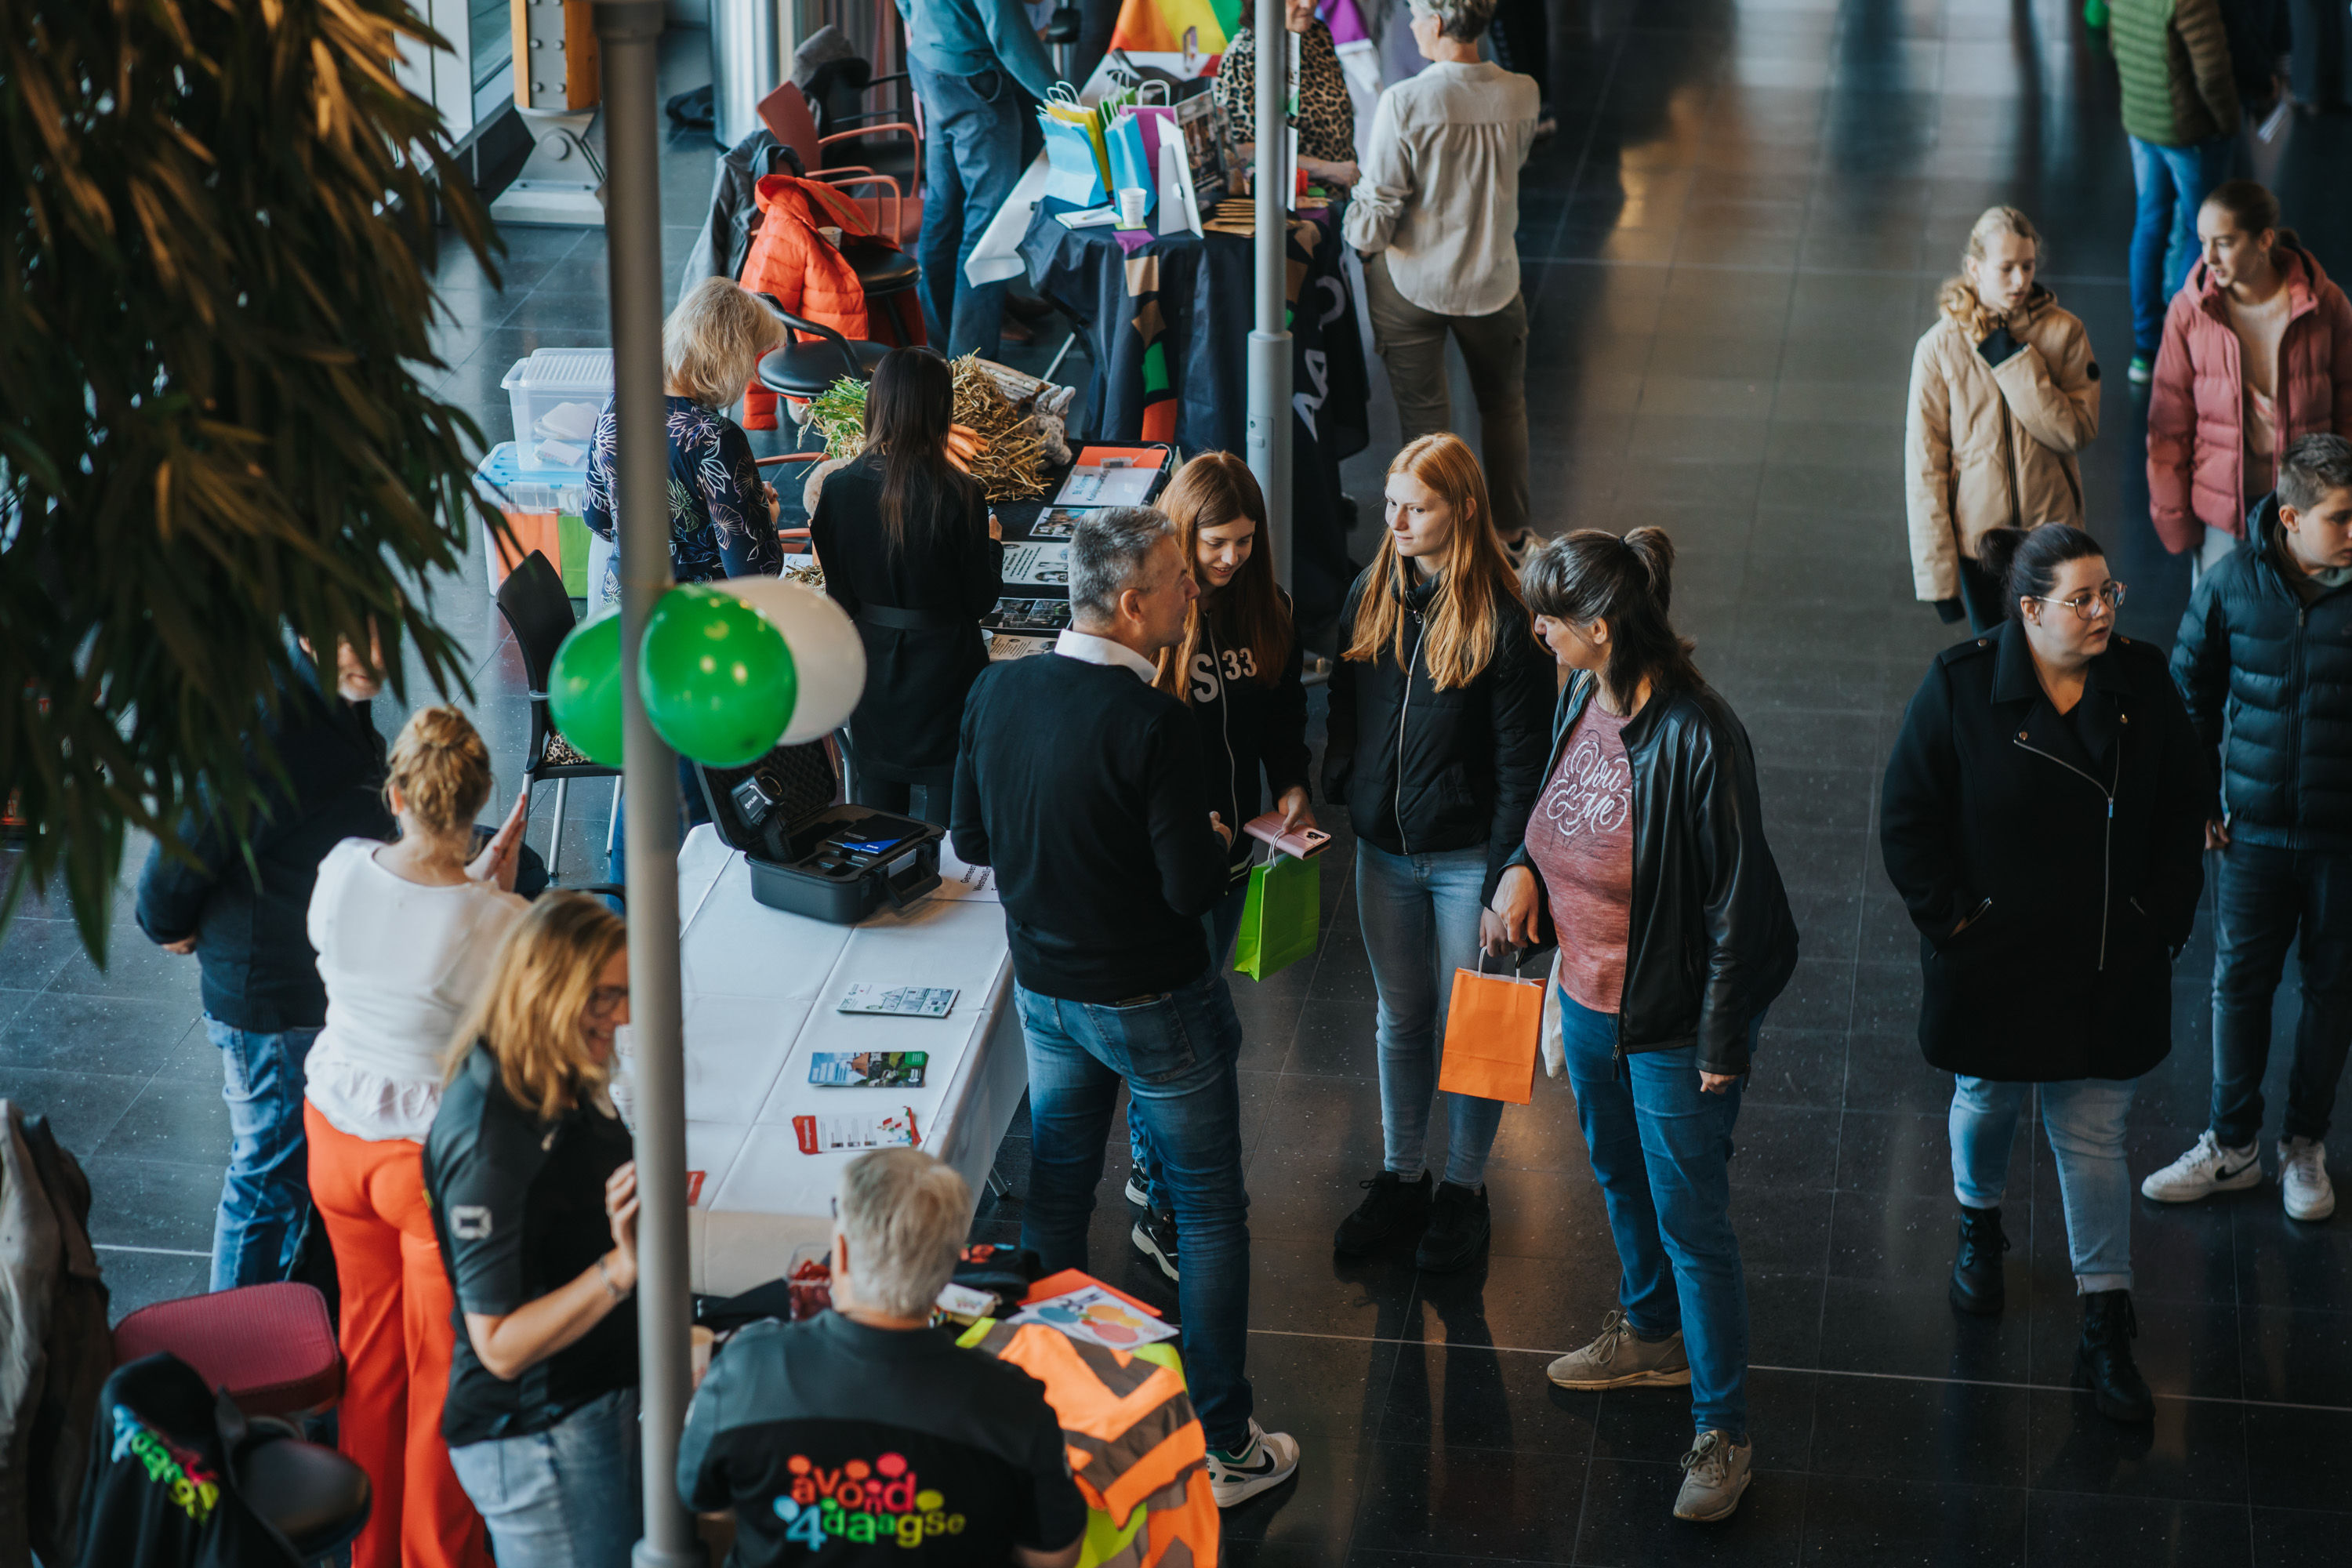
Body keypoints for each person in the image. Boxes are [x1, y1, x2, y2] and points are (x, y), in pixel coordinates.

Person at [951, 506, 1301, 1507]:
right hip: (1156, 1003)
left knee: (1059, 1185)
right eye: (1178, 578)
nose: (1197, 590)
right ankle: (1225, 1442)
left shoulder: (996, 688)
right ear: (1133, 602)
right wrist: (1222, 832)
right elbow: (1192, 889)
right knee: (1207, 1211)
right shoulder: (1157, 722)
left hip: (1048, 995)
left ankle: (1043, 1409)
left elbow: (971, 838)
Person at [1487, 528, 1797, 1525]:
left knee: (1693, 1224)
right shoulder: (1584, 695)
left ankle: (1723, 1427)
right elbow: (1558, 806)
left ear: (1601, 627)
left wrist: (1718, 1046)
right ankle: (1650, 1330)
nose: (1533, 629)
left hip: (1666, 1027)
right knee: (1620, 1177)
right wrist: (1525, 866)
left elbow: (1745, 913)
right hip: (1585, 1001)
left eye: (1548, 617)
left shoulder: (1702, 735)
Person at [1881, 525, 2209, 1425]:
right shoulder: (1959, 686)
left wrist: (2161, 917)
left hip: (2110, 964)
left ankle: (2106, 1320)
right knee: (1984, 1096)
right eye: (2082, 597)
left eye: (2110, 593)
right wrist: (1957, 923)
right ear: (2028, 609)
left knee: (2094, 1134)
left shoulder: (2141, 682)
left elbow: (2185, 802)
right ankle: (1978, 1226)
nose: (2104, 609)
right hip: (1997, 962)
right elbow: (1906, 818)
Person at [303, 706, 528, 1568]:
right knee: (445, 1371)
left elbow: (391, 928)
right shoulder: (490, 918)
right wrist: (492, 890)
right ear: (479, 800)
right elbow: (500, 1018)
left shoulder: (340, 870)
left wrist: (476, 883)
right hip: (427, 1160)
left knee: (370, 1350)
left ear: (395, 792)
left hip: (334, 1135)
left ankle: (369, 1550)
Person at [1323, 433, 1551, 1273]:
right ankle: (1401, 1174)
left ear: (1463, 508)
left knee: (1478, 1026)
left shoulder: (1504, 615)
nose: (1396, 521)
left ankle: (1465, 1188)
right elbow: (1347, 697)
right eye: (1390, 504)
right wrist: (1344, 778)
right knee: (1401, 1018)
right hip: (1384, 852)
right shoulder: (1371, 590)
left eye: (1414, 506)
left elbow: (1525, 763)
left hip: (1467, 864)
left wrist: (1508, 875)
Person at [677, 1149, 1087, 1567]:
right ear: (949, 1266)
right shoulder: (1015, 1404)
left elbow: (706, 1502)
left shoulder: (744, 1369)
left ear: (841, 1249)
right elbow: (1052, 1559)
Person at [136, 633, 394, 1290]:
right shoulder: (275, 724)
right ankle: (235, 1346)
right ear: (309, 635)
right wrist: (166, 922)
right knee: (267, 1176)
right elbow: (182, 848)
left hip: (315, 976)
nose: (378, 649)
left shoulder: (336, 693)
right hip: (271, 994)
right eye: (354, 635)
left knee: (292, 1167)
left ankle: (282, 1320)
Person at [2143, 433, 2352, 1221]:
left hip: (2342, 840)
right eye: (2342, 518)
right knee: (2239, 988)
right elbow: (2185, 692)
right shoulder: (2233, 584)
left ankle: (2305, 1144)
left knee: (2333, 993)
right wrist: (2198, 796)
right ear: (2290, 518)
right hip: (2255, 834)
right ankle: (2232, 1146)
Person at [1124, 452, 1315, 1281]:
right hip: (1169, 853)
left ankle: (1144, 1160)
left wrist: (1294, 782)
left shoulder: (1268, 608)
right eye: (1216, 542)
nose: (1231, 558)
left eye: (1244, 542)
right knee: (1182, 1022)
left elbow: (1282, 711)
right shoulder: (1163, 611)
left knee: (1190, 1008)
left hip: (1239, 846)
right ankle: (1159, 1187)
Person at [425, 893, 642, 1568]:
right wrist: (621, 1269)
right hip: (540, 1436)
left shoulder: (554, 1070)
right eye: (606, 997)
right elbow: (500, 1345)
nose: (625, 1015)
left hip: (590, 1405)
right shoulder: (492, 1142)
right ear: (548, 993)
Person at [1343, 0, 1541, 564]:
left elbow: (1380, 203)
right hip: (1492, 282)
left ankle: (1436, 550)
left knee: (1426, 425)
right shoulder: (1523, 92)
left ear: (1436, 23)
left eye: (1415, 16)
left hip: (1412, 283)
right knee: (1504, 407)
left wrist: (1360, 244)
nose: (1410, 26)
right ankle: (1511, 538)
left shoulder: (1405, 101)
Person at [810, 347, 1004, 825]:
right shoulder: (962, 493)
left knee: (879, 810)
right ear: (941, 410)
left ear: (876, 405)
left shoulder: (838, 489)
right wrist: (994, 546)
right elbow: (980, 601)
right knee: (950, 808)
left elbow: (840, 595)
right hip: (946, 668)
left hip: (872, 665)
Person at [1904, 206, 2101, 633]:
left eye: (2027, 266)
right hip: (1982, 548)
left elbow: (2075, 432)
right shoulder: (1938, 349)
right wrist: (1938, 580)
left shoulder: (2064, 333)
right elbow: (1925, 467)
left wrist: (2012, 363)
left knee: (2059, 659)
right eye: (2006, 268)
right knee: (1996, 670)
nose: (2020, 281)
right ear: (1975, 268)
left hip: (2052, 537)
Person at [2147, 181, 2352, 581]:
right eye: (2203, 241)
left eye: (2224, 242)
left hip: (2310, 507)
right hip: (2223, 511)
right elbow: (2169, 424)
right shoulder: (2190, 311)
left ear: (2264, 241)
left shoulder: (2325, 304)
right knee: (2222, 629)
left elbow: (2349, 406)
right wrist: (2174, 515)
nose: (2208, 257)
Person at [584, 275, 786, 615]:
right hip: (693, 622)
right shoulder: (716, 437)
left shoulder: (617, 403)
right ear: (730, 358)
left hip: (623, 615)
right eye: (752, 354)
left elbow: (598, 519)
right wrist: (766, 516)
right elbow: (755, 571)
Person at [891, 0, 1058, 358]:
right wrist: (1060, 96)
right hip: (972, 77)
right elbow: (1006, 31)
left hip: (929, 61)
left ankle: (935, 349)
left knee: (944, 208)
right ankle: (971, 367)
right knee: (990, 224)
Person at [2108, 0, 2239, 384]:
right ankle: (2180, 345)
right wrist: (2230, 124)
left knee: (2150, 225)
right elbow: (2213, 72)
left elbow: (2118, 44)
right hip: (2188, 133)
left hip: (2141, 123)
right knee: (2203, 237)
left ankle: (2145, 350)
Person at [1213, 0, 1360, 190]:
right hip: (1290, 201)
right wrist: (1327, 169)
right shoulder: (1244, 56)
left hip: (1342, 192)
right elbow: (1241, 150)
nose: (1308, 4)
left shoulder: (1317, 34)